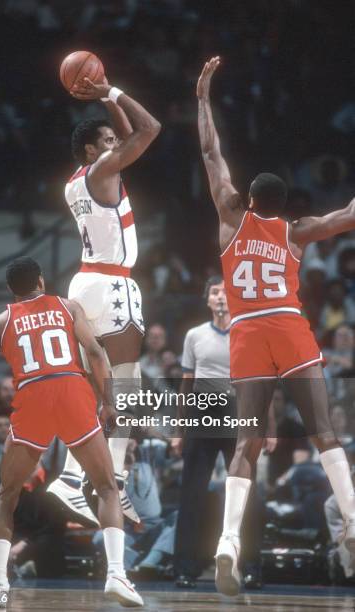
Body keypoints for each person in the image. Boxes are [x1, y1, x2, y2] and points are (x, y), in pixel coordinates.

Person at [197, 56, 355, 597]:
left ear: (248, 198)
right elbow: (348, 216)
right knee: (323, 429)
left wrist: (201, 99)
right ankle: (354, 523)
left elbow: (212, 153)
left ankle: (227, 540)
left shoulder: (228, 220)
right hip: (287, 326)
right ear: (283, 204)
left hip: (245, 333)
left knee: (247, 441)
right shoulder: (295, 232)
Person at [0, 257, 143, 608]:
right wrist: (108, 402)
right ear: (42, 281)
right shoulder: (68, 306)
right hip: (70, 389)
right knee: (108, 487)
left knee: (7, 494)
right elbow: (94, 352)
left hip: (32, 394)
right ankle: (116, 575)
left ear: (10, 290)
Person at [47, 70, 161, 527]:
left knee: (100, 388)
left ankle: (99, 480)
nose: (118, 143)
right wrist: (112, 90)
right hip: (112, 284)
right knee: (128, 387)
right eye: (108, 139)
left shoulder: (76, 180)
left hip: (85, 284)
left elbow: (132, 136)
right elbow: (150, 130)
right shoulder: (103, 170)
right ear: (92, 150)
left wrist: (108, 104)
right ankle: (83, 479)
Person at [172, 276, 267, 589]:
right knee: (191, 496)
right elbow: (186, 385)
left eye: (227, 292)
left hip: (238, 416)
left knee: (245, 496)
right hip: (201, 415)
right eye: (215, 292)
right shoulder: (194, 335)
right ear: (207, 300)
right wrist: (178, 429)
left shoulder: (248, 332)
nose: (222, 298)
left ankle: (251, 566)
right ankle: (184, 569)